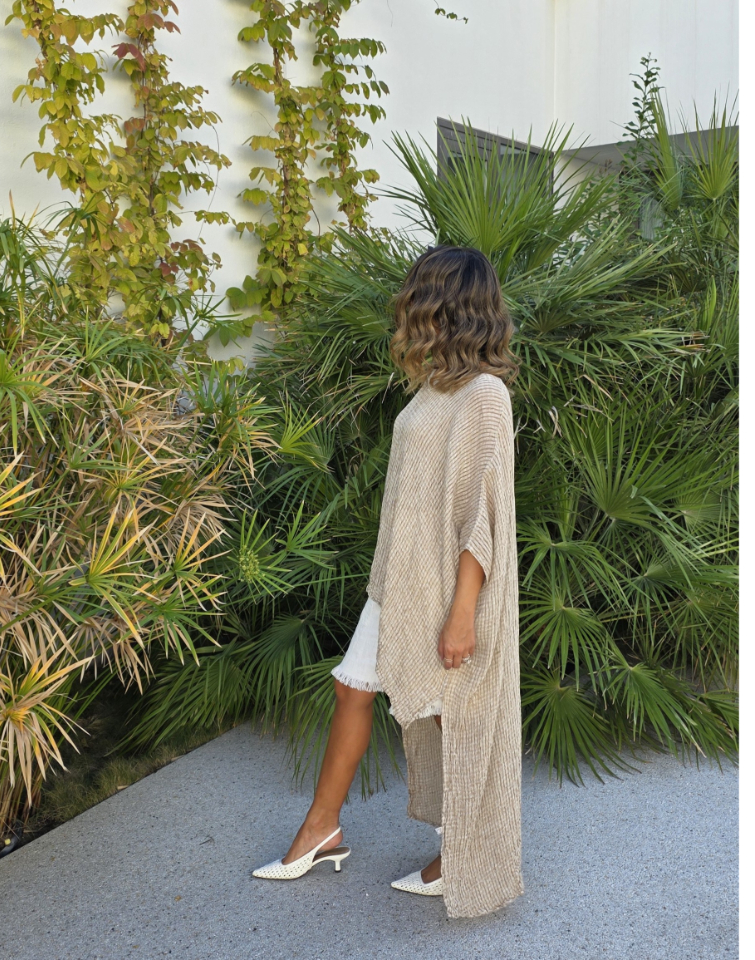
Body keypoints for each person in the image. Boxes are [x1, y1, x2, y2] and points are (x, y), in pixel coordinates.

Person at [252, 244, 524, 919]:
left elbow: (483, 516)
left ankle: (461, 855)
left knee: (453, 713)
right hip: (400, 579)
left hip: (449, 587)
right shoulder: (436, 386)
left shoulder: (486, 396)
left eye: (420, 293)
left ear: (449, 303)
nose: (408, 305)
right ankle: (323, 828)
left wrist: (462, 612)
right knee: (354, 686)